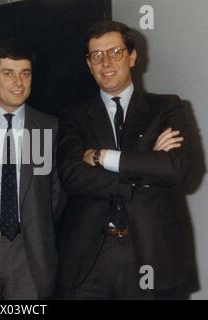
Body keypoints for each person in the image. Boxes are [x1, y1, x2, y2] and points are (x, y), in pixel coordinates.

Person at [57, 20, 190, 299]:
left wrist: (101, 156)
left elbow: (175, 168)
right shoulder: (74, 116)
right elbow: (72, 176)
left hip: (150, 255)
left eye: (115, 52)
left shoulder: (166, 107)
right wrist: (144, 171)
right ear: (88, 64)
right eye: (96, 55)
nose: (106, 62)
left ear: (132, 56)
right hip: (89, 259)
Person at [0, 39, 62, 299]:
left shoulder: (51, 128)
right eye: (8, 74)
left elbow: (56, 196)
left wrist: (33, 225)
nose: (18, 83)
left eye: (25, 74)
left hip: (30, 256)